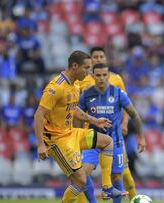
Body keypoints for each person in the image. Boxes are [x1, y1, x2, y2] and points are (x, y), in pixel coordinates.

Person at [34, 51, 123, 203]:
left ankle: (107, 188)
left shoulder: (75, 84)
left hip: (71, 133)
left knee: (107, 141)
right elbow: (38, 115)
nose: (89, 72)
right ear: (74, 66)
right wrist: (41, 145)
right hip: (57, 140)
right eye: (86, 68)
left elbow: (73, 108)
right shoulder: (55, 88)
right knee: (81, 181)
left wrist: (94, 121)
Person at [76, 47, 141, 202]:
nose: (98, 59)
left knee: (123, 173)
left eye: (101, 57)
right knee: (82, 174)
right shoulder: (82, 80)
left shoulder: (116, 79)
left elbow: (126, 105)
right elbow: (76, 109)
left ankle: (134, 200)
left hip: (115, 135)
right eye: (95, 57)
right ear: (90, 60)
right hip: (90, 136)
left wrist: (124, 123)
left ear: (105, 59)